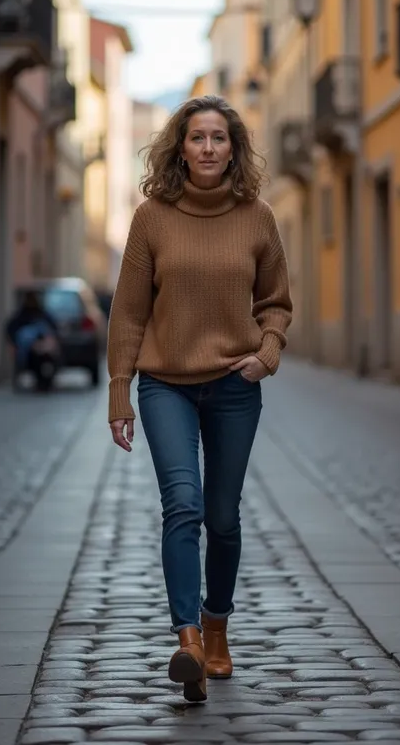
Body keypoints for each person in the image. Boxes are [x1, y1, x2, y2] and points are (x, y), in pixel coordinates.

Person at [107, 95, 292, 703]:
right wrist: (120, 390)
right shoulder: (152, 217)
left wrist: (266, 355)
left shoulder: (257, 215)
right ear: (179, 148)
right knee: (182, 504)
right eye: (197, 138)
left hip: (236, 387)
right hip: (166, 385)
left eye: (219, 138)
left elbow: (276, 303)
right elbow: (129, 312)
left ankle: (217, 629)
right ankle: (187, 639)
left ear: (233, 148)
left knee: (223, 517)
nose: (208, 148)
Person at [6, 290, 59, 375]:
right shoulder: (21, 316)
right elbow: (11, 330)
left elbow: (53, 329)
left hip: (43, 347)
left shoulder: (42, 314)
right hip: (29, 349)